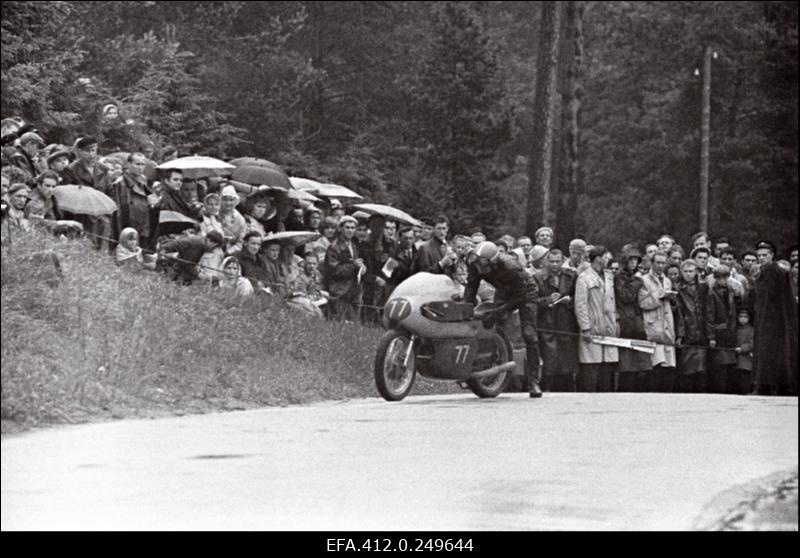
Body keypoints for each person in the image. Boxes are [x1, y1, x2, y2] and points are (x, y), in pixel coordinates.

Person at [463, 241, 543, 397]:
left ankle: (533, 381)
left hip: (526, 292)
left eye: (484, 266)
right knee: (491, 325)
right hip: (503, 290)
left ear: (493, 262)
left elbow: (522, 296)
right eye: (478, 264)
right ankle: (490, 366)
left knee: (529, 334)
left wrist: (499, 311)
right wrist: (466, 307)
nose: (480, 269)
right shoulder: (474, 263)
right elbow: (471, 287)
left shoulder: (511, 266)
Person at [751, 241, 798, 395]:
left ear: (772, 255)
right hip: (765, 320)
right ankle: (763, 384)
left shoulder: (778, 273)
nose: (761, 258)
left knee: (773, 353)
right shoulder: (762, 273)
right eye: (759, 256)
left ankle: (772, 386)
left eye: (765, 255)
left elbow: (784, 300)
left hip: (775, 321)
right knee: (764, 351)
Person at [574, 246, 619, 392]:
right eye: (606, 257)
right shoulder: (584, 278)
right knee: (591, 369)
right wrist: (585, 327)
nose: (608, 260)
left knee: (607, 372)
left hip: (609, 327)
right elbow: (580, 304)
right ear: (598, 258)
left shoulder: (609, 277)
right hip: (593, 328)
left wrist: (616, 324)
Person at [533, 249, 579, 392]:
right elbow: (532, 302)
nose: (554, 265)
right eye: (551, 261)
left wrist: (570, 300)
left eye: (557, 261)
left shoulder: (571, 276)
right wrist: (547, 300)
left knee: (567, 359)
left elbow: (580, 297)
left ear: (562, 261)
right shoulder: (538, 278)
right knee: (550, 360)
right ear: (546, 261)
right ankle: (548, 389)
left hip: (566, 322)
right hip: (547, 323)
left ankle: (568, 390)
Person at [614, 244, 652, 392]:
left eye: (636, 260)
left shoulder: (637, 276)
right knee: (626, 368)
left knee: (641, 367)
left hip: (637, 324)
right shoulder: (620, 277)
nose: (633, 263)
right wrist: (637, 281)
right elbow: (626, 296)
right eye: (630, 260)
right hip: (626, 324)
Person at [638, 250, 677, 392]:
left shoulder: (667, 281)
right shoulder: (643, 280)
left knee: (668, 365)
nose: (661, 266)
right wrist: (659, 296)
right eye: (658, 262)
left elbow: (669, 305)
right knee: (656, 365)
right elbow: (642, 303)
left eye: (663, 263)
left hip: (667, 324)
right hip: (653, 325)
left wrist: (672, 300)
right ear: (652, 263)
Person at [674, 260, 708, 393]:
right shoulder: (678, 289)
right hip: (687, 331)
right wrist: (680, 334)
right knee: (687, 368)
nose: (688, 274)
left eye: (691, 271)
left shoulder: (703, 288)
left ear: (696, 272)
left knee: (701, 368)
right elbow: (680, 314)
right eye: (686, 271)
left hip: (701, 331)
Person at [324, 215, 365, 321]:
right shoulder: (334, 247)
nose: (350, 230)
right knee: (338, 322)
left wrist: (362, 268)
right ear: (340, 228)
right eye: (347, 227)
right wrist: (354, 266)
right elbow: (334, 270)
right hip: (339, 290)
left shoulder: (353, 245)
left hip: (354, 289)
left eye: (352, 228)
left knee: (353, 323)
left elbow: (355, 264)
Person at [115, 152, 159, 251]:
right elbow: (120, 209)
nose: (140, 168)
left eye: (142, 164)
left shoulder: (143, 181)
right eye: (137, 164)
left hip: (144, 223)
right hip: (130, 223)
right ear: (129, 164)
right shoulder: (120, 183)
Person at [706, 265, 738, 394]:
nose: (723, 280)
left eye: (725, 277)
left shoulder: (731, 291)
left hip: (730, 332)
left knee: (730, 364)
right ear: (715, 278)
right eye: (719, 278)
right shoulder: (711, 293)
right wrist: (711, 337)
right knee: (720, 365)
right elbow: (709, 316)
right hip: (719, 332)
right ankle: (719, 392)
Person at [158, 230, 224, 285]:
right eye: (215, 247)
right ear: (211, 242)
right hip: (164, 256)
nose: (213, 249)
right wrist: (199, 275)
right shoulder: (199, 245)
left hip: (171, 259)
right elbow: (186, 265)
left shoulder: (200, 241)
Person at [387, 226, 417, 295]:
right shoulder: (394, 253)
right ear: (400, 239)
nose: (408, 241)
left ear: (414, 239)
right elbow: (387, 273)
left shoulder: (417, 253)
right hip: (397, 289)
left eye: (410, 238)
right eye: (405, 238)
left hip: (412, 290)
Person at [218, 185, 247, 254]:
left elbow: (241, 242)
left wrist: (229, 252)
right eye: (225, 199)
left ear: (235, 201)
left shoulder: (240, 219)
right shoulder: (215, 213)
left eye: (231, 200)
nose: (228, 203)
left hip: (232, 252)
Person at [733, 309, 754, 395]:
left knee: (745, 374)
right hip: (736, 357)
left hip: (746, 357)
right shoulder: (736, 329)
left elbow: (753, 342)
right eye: (741, 317)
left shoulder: (752, 330)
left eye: (745, 317)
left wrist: (743, 348)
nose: (743, 319)